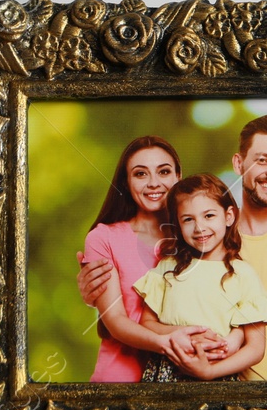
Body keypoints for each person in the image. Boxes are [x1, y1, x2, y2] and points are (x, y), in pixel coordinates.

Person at [78, 113, 267, 379]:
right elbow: (160, 298)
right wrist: (94, 297)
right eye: (262, 160)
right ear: (239, 163)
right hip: (233, 401)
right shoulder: (209, 238)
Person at [75, 137, 226, 381]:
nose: (153, 183)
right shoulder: (103, 238)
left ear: (178, 176)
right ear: (126, 182)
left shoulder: (200, 234)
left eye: (164, 171)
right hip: (122, 379)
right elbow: (115, 320)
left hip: (187, 380)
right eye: (140, 174)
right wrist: (166, 342)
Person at [131, 174, 267, 380]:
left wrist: (210, 372)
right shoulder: (167, 267)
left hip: (219, 375)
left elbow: (255, 348)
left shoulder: (243, 275)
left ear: (228, 217)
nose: (199, 227)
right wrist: (182, 333)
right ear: (178, 225)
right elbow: (147, 323)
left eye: (209, 216)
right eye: (188, 219)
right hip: (166, 375)